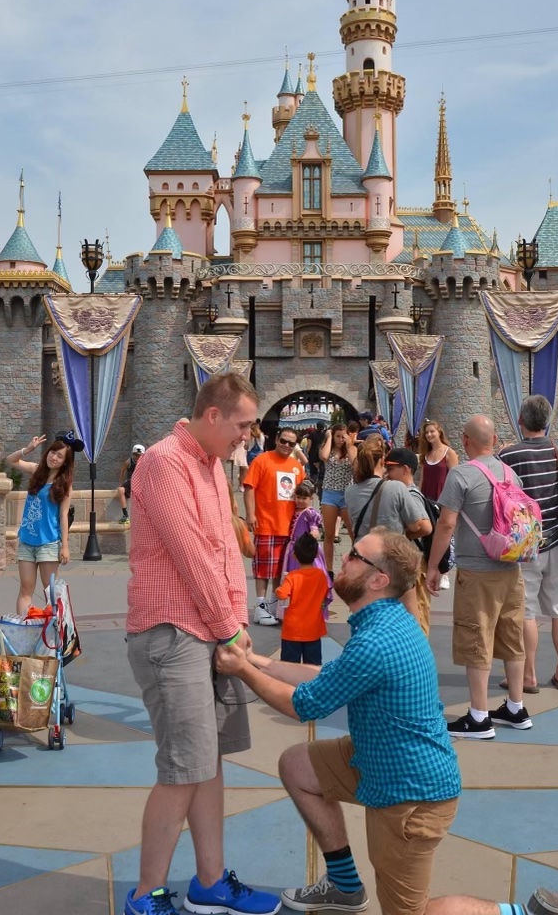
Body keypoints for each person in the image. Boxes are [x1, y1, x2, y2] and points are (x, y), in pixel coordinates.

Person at [215, 528, 558, 915]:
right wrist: (262, 663)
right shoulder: (383, 621)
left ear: (378, 580)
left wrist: (241, 669)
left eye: (356, 555)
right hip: (380, 763)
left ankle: (526, 914)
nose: (344, 557)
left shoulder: (377, 641)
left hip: (412, 797)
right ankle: (343, 885)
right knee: (298, 765)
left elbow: (304, 704)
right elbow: (329, 677)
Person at [124, 372, 280, 915]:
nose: (247, 436)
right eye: (242, 425)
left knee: (208, 762)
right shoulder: (165, 462)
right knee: (184, 767)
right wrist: (233, 631)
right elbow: (191, 557)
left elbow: (224, 558)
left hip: (210, 634)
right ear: (212, 415)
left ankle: (210, 882)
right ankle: (146, 896)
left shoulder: (214, 467)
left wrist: (232, 629)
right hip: (173, 633)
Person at [427, 415, 532, 741]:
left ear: (465, 440)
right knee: (511, 637)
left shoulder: (462, 474)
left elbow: (446, 524)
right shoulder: (510, 473)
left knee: (477, 638)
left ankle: (479, 717)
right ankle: (516, 708)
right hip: (511, 569)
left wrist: (434, 566)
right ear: (495, 439)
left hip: (477, 571)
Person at [498, 395, 558, 692]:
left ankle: (528, 676)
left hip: (525, 544)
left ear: (520, 421)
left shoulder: (509, 456)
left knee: (526, 612)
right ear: (547, 421)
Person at [6, 431, 80, 616]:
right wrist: (27, 449)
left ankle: (54, 633)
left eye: (59, 456)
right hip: (27, 541)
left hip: (48, 543)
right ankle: (25, 629)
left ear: (65, 462)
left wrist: (65, 546)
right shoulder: (36, 470)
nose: (54, 457)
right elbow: (11, 460)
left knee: (50, 593)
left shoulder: (64, 484)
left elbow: (64, 516)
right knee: (25, 589)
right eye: (52, 452)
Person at [243, 426, 305, 626]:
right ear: (276, 439)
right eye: (283, 441)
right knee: (263, 568)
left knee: (280, 569)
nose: (286, 445)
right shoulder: (262, 460)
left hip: (289, 526)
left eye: (291, 443)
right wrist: (250, 514)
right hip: (266, 522)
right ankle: (260, 607)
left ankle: (274, 604)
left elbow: (302, 495)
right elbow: (249, 488)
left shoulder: (296, 466)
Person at [384, 447, 434, 634]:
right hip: (411, 561)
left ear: (405, 469)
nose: (387, 473)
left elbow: (425, 527)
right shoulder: (402, 492)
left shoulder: (411, 494)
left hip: (416, 561)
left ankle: (420, 656)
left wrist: (402, 536)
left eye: (391, 468)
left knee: (417, 612)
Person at [275, 533, 329, 664]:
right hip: (314, 628)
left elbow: (282, 594)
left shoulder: (292, 576)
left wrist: (278, 589)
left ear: (294, 556)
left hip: (293, 629)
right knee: (313, 666)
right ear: (316, 555)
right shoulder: (321, 575)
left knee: (289, 666)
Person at [419, 420, 459, 590]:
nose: (429, 435)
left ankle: (444, 573)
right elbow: (422, 479)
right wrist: (419, 497)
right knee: (429, 535)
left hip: (443, 500)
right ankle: (430, 568)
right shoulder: (425, 455)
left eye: (432, 432)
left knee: (444, 536)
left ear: (439, 432)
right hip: (427, 500)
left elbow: (455, 478)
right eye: (427, 432)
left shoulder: (449, 453)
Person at [318, 423, 357, 576]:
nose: (340, 440)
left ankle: (354, 566)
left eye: (343, 436)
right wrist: (328, 437)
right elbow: (324, 456)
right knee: (329, 535)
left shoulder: (351, 450)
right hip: (330, 493)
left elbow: (355, 464)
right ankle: (328, 569)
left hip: (347, 494)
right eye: (338, 436)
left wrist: (349, 444)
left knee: (353, 534)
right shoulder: (328, 448)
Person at [118, 444, 146, 524]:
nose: (137, 457)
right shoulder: (129, 461)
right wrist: (120, 483)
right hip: (130, 482)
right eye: (135, 455)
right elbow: (122, 471)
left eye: (139, 455)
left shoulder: (145, 462)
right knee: (120, 490)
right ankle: (125, 515)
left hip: (141, 483)